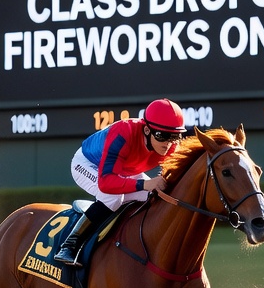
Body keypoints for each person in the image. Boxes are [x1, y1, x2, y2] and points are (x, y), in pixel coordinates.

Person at [55, 99, 188, 265]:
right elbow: (106, 183)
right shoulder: (123, 133)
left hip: (124, 170)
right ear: (147, 130)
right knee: (113, 198)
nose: (168, 144)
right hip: (88, 164)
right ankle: (69, 246)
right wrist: (144, 184)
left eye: (174, 137)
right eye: (162, 136)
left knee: (156, 196)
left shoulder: (171, 147)